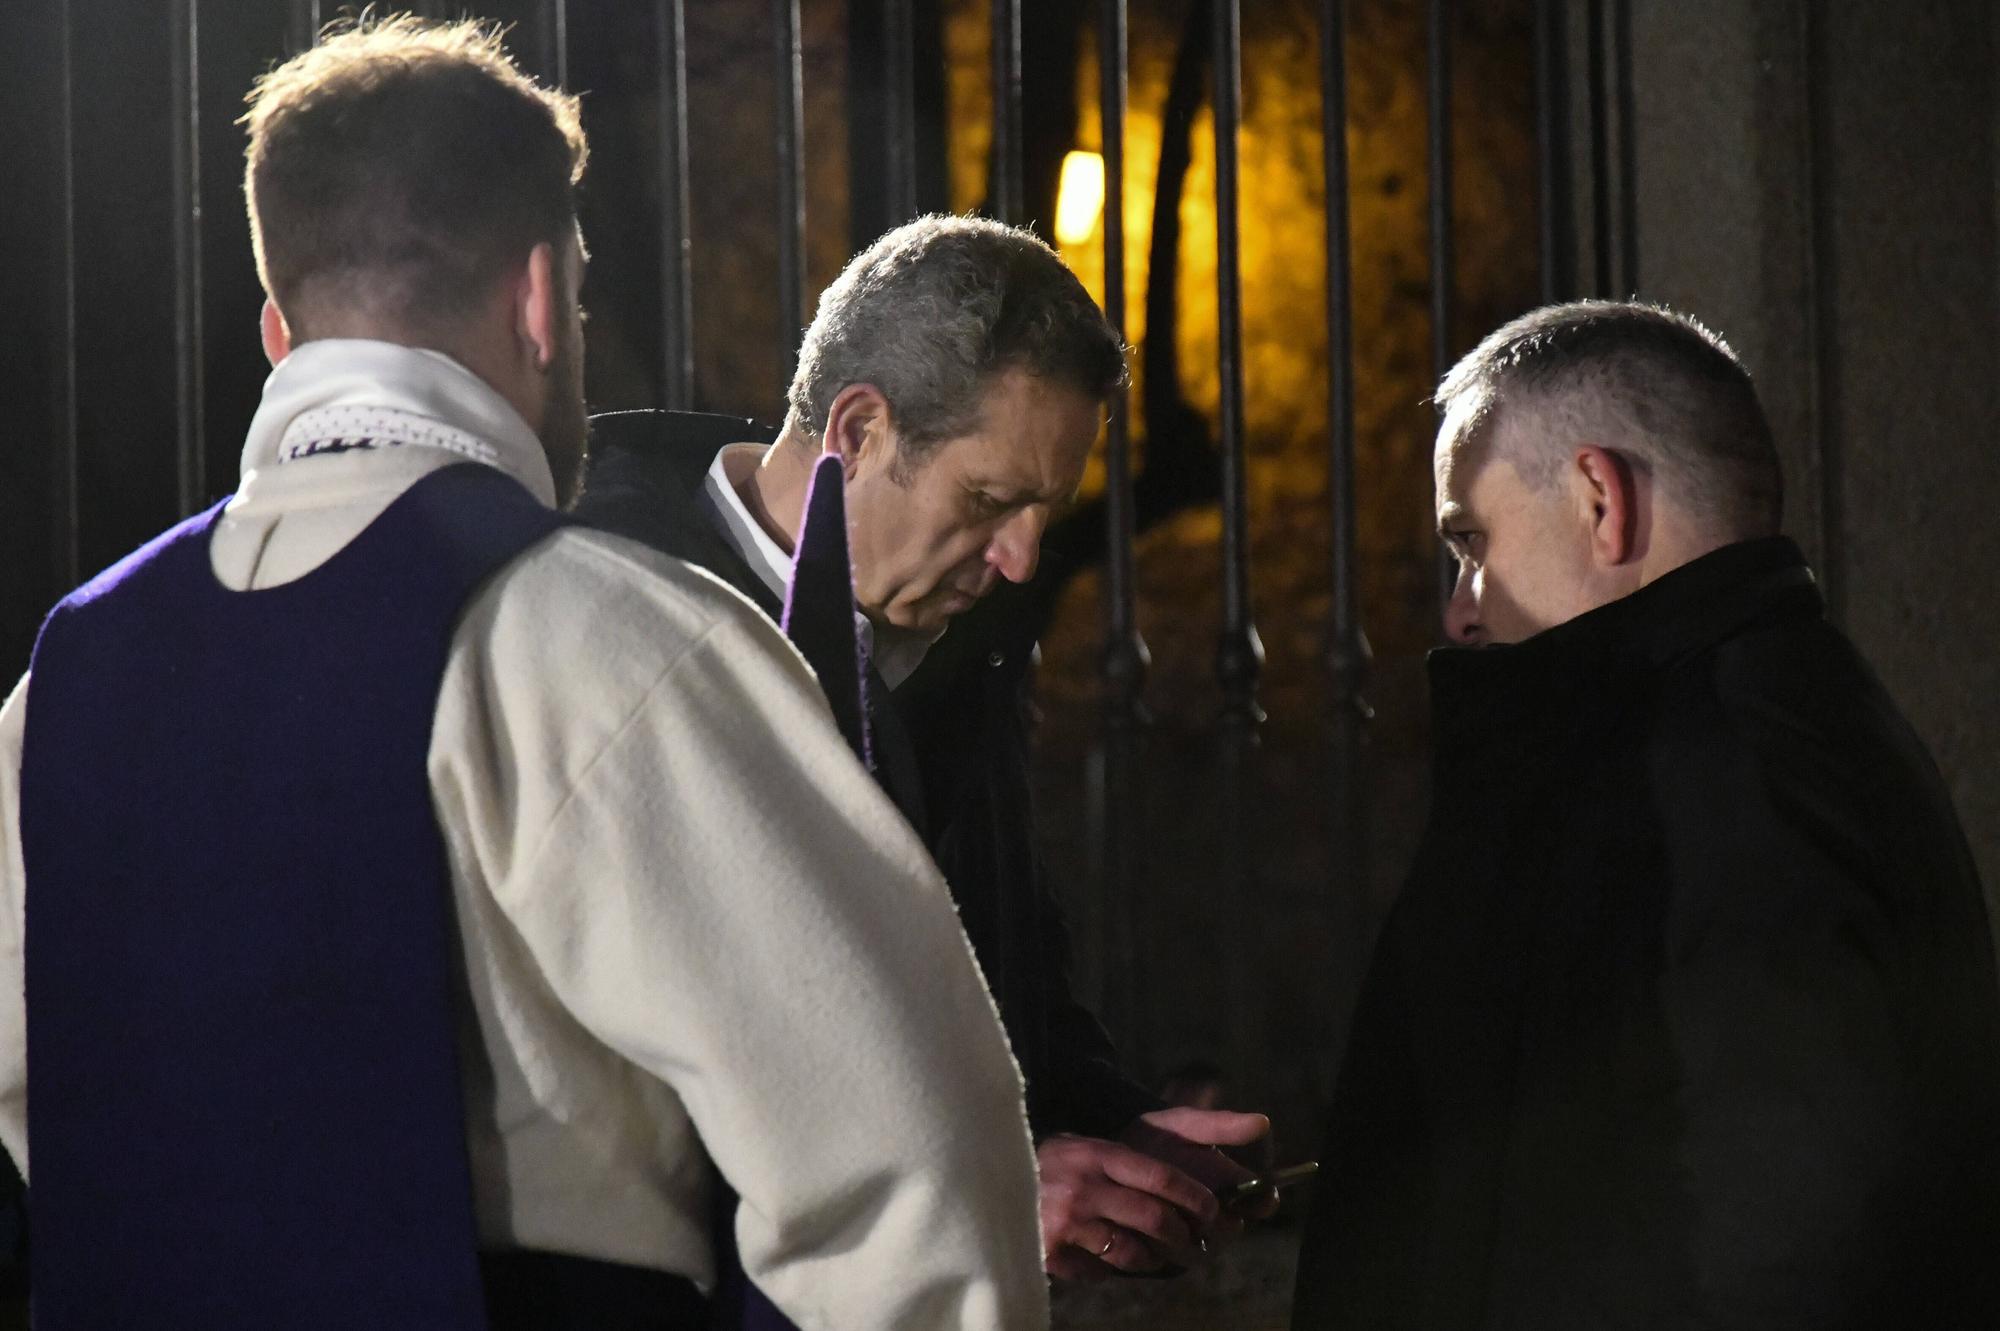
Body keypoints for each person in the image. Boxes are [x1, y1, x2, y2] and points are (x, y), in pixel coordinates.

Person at [0, 19, 1046, 1330]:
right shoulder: (607, 641)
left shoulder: (64, 682)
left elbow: (43, 1107)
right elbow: (909, 1167)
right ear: (544, 294)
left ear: (282, 330)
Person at [579, 214, 1275, 1283]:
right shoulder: (601, 614)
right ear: (855, 431)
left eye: (1046, 510)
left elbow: (1007, 984)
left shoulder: (965, 631)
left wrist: (1123, 1132)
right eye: (991, 501)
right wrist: (978, 1185)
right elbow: (624, 1074)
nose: (1018, 557)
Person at [1291, 299, 2000, 1328]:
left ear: (1597, 498)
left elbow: (1770, 1241)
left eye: (1470, 539)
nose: (1459, 605)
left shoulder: (1710, 771)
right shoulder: (1751, 729)